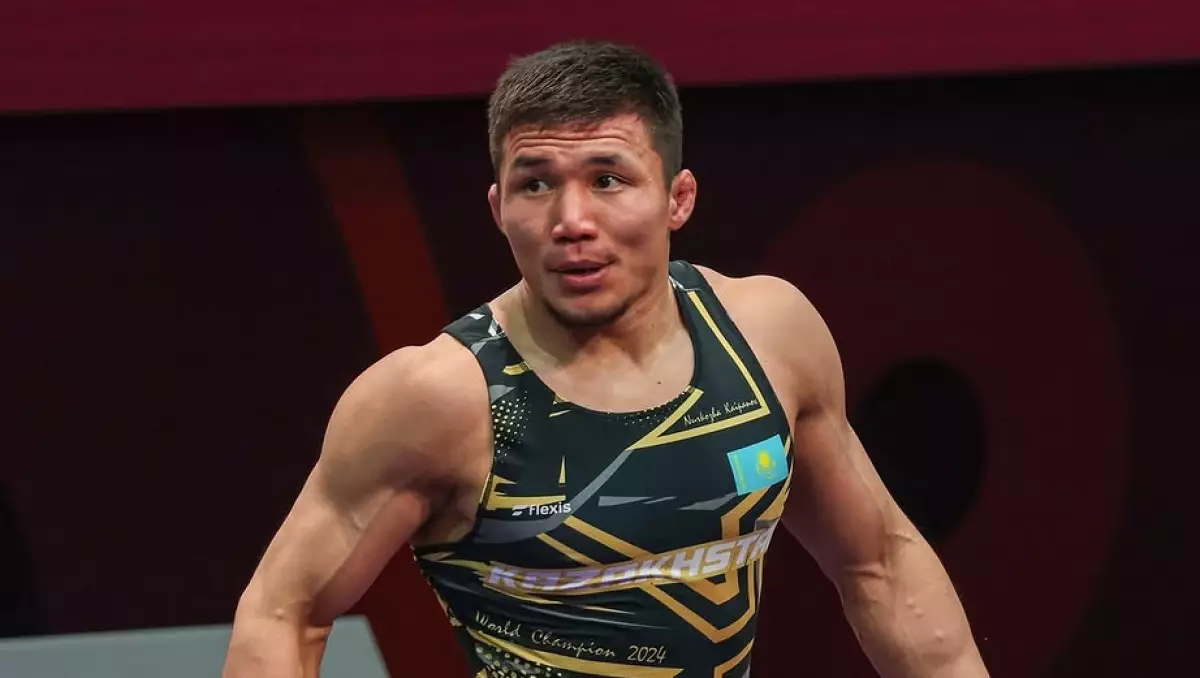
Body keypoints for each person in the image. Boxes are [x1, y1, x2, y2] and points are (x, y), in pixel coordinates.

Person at [222, 40, 990, 678]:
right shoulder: (438, 397)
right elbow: (283, 615)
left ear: (677, 198)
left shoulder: (766, 336)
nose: (572, 221)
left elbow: (879, 565)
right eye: (535, 184)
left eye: (608, 180)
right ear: (498, 208)